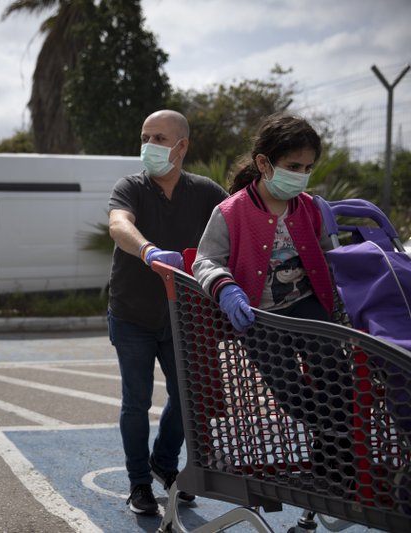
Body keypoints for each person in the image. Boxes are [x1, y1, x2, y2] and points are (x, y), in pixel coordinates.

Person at [191, 113, 350, 486]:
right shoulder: (230, 212)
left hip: (307, 305)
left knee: (336, 374)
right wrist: (227, 289)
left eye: (308, 167)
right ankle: (330, 443)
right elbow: (206, 260)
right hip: (260, 316)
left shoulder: (309, 207)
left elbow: (330, 254)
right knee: (290, 392)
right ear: (264, 163)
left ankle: (333, 455)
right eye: (293, 166)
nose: (301, 174)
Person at [107, 109, 229, 515]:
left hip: (185, 317)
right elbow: (118, 224)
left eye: (159, 138)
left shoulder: (206, 192)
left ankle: (163, 459)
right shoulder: (131, 186)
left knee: (188, 398)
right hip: (132, 314)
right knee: (135, 402)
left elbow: (237, 224)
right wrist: (148, 250)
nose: (149, 146)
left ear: (182, 146)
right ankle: (140, 483)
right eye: (145, 137)